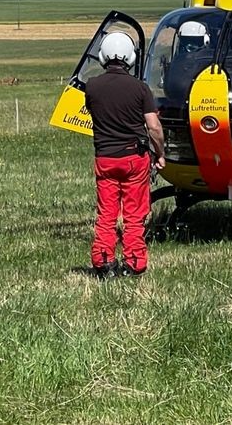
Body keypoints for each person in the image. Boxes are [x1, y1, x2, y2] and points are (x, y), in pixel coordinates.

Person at [84, 32, 165, 279]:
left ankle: (103, 263)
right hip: (134, 159)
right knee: (134, 215)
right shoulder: (140, 88)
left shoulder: (92, 87)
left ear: (103, 56)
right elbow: (153, 126)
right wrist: (160, 153)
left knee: (107, 215)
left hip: (105, 159)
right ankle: (134, 263)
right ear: (130, 57)